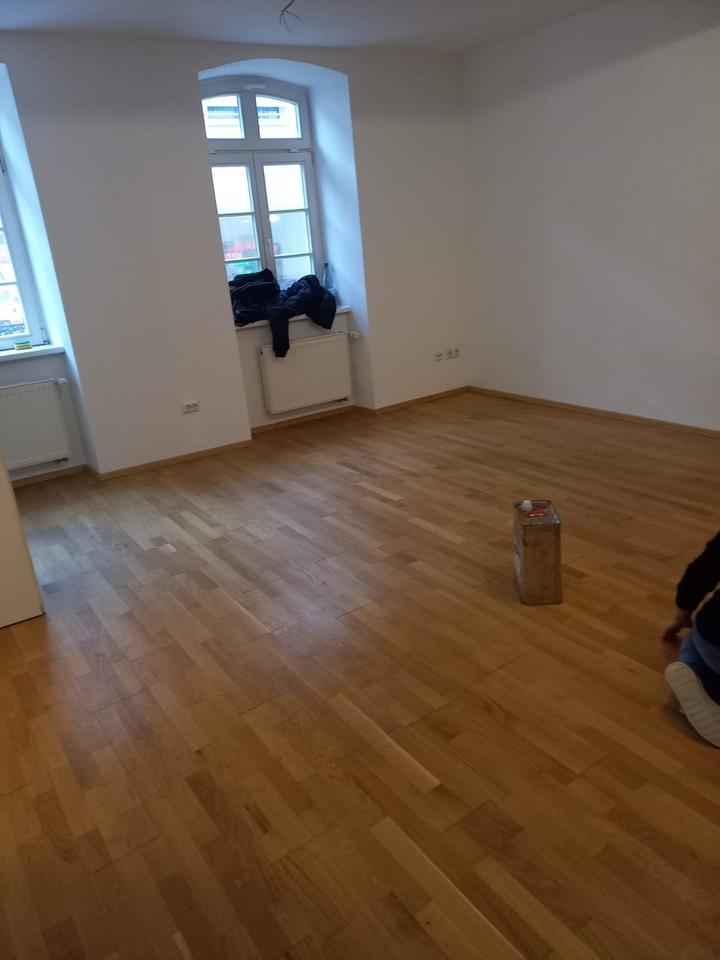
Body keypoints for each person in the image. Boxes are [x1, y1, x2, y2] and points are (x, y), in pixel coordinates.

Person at [663, 532, 720, 746]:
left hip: (713, 638)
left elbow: (703, 570)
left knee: (693, 640)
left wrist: (680, 615)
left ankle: (697, 674)